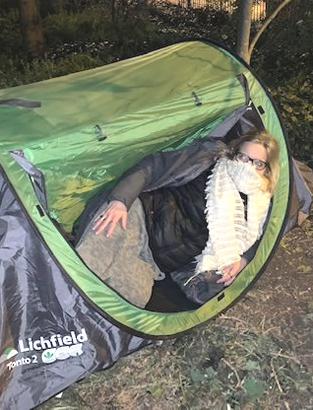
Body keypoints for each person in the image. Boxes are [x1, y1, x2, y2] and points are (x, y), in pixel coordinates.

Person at [74, 128, 280, 307]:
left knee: (128, 300)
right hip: (141, 217)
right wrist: (121, 200)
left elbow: (265, 239)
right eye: (243, 158)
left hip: (153, 262)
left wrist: (244, 259)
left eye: (258, 163)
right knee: (91, 263)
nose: (248, 167)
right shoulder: (211, 162)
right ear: (234, 153)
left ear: (267, 170)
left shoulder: (260, 207)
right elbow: (153, 166)